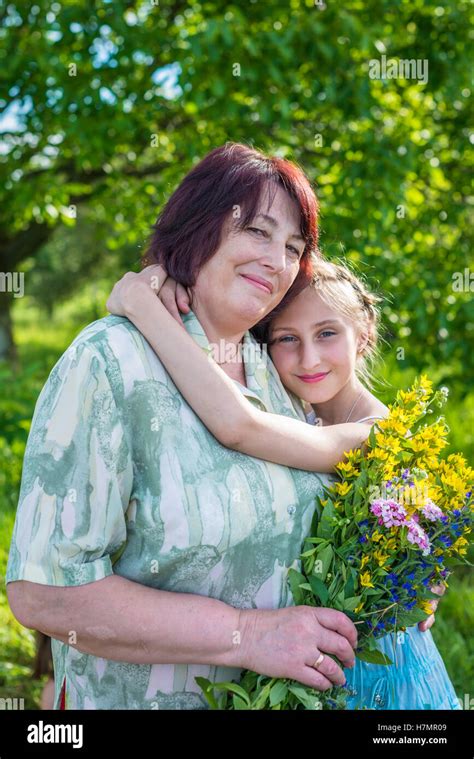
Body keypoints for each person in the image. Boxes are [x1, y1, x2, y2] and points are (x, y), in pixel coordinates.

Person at [5, 142, 371, 710]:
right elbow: (44, 593)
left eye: (293, 247)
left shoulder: (279, 367)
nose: (277, 261)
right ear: (196, 227)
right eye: (256, 230)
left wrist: (409, 568)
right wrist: (247, 635)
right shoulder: (109, 361)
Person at [104, 256, 459, 710]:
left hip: (374, 669)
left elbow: (239, 426)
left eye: (327, 333)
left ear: (365, 332)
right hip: (310, 659)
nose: (309, 358)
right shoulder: (291, 409)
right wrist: (177, 281)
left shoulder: (377, 435)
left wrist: (144, 306)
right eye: (287, 339)